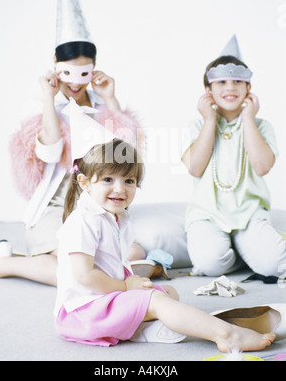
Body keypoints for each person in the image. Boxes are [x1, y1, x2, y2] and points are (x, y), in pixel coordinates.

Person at [0, 0, 145, 286]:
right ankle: (5, 264)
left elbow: (125, 152)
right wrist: (48, 96)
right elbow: (47, 152)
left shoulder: (103, 109)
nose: (75, 83)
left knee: (133, 255)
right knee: (72, 272)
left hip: (96, 199)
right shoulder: (47, 110)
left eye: (83, 74)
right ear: (56, 70)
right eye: (67, 74)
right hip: (55, 206)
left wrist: (110, 97)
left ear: (94, 70)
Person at [54, 138, 275, 352]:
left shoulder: (112, 217)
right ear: (84, 183)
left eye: (129, 181)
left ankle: (139, 327)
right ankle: (227, 335)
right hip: (81, 314)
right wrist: (125, 287)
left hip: (103, 301)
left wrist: (132, 282)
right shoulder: (83, 220)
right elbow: (85, 276)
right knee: (157, 301)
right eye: (108, 180)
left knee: (168, 292)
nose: (120, 189)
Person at [181, 36, 286, 277]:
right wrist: (209, 120)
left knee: (275, 265)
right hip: (208, 214)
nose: (230, 88)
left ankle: (247, 247)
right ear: (208, 90)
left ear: (249, 88)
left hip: (249, 212)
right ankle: (240, 254)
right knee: (210, 265)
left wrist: (248, 119)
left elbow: (262, 167)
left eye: (238, 81)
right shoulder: (196, 125)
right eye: (221, 82)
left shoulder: (261, 125)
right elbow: (195, 168)